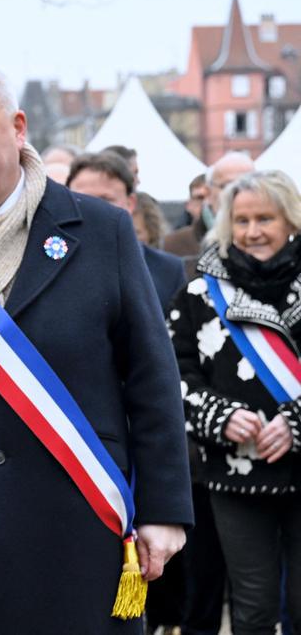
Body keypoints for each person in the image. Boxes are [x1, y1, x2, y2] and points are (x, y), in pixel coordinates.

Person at [0, 64, 193, 634]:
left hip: (79, 513)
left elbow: (151, 377)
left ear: (17, 128)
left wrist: (165, 510)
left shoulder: (100, 229)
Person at [169, 170, 301, 635]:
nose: (253, 231)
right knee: (252, 609)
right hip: (233, 474)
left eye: (265, 217)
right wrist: (219, 416)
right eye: (242, 220)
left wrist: (296, 422)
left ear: (291, 220)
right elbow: (173, 373)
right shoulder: (200, 294)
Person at [67, 151, 185, 311]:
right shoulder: (47, 264)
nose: (93, 208)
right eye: (83, 199)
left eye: (105, 200)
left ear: (130, 203)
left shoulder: (168, 270)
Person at [164, 152, 254, 278]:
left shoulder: (269, 242)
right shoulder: (173, 245)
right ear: (208, 192)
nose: (238, 193)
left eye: (248, 185)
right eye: (228, 186)